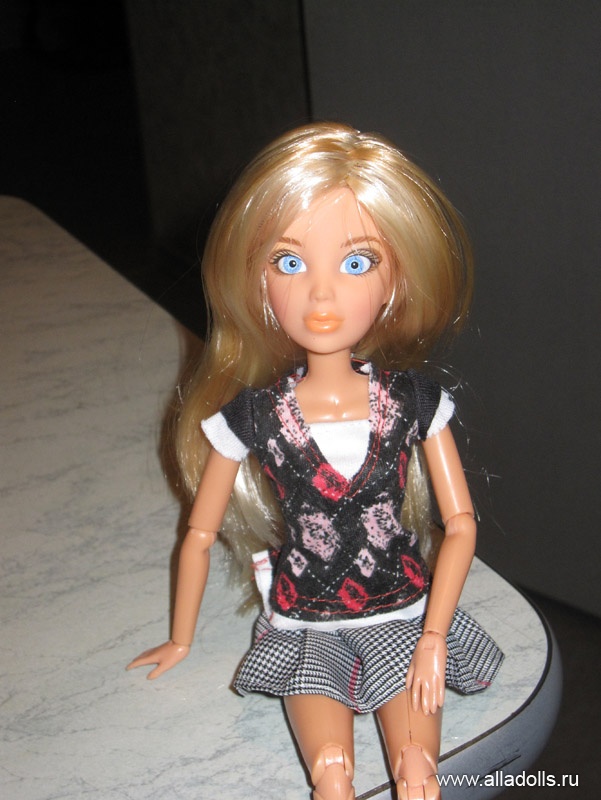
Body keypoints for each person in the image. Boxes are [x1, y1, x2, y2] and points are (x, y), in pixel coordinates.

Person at [127, 122, 503, 800]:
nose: (321, 297)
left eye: (356, 263)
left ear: (394, 283)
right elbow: (199, 534)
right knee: (331, 772)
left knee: (417, 769)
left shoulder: (414, 404)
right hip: (307, 623)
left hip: (403, 613)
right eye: (289, 263)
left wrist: (434, 635)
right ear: (255, 281)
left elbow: (461, 525)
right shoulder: (252, 417)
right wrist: (181, 640)